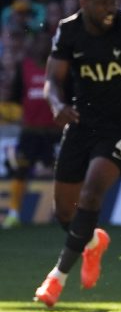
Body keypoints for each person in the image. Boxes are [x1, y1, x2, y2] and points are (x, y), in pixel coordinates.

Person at [33, 0, 121, 307]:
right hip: (81, 124)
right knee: (64, 212)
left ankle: (57, 278)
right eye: (102, 3)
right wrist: (57, 104)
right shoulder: (68, 30)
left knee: (91, 192)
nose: (110, 9)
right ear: (83, 2)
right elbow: (52, 79)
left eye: (113, 2)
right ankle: (91, 243)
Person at [3, 31, 58, 229]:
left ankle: (64, 212)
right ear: (33, 46)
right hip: (31, 131)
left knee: (64, 172)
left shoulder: (59, 66)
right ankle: (13, 214)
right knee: (21, 170)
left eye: (46, 42)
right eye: (39, 42)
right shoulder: (23, 66)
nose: (42, 46)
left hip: (54, 131)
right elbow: (16, 96)